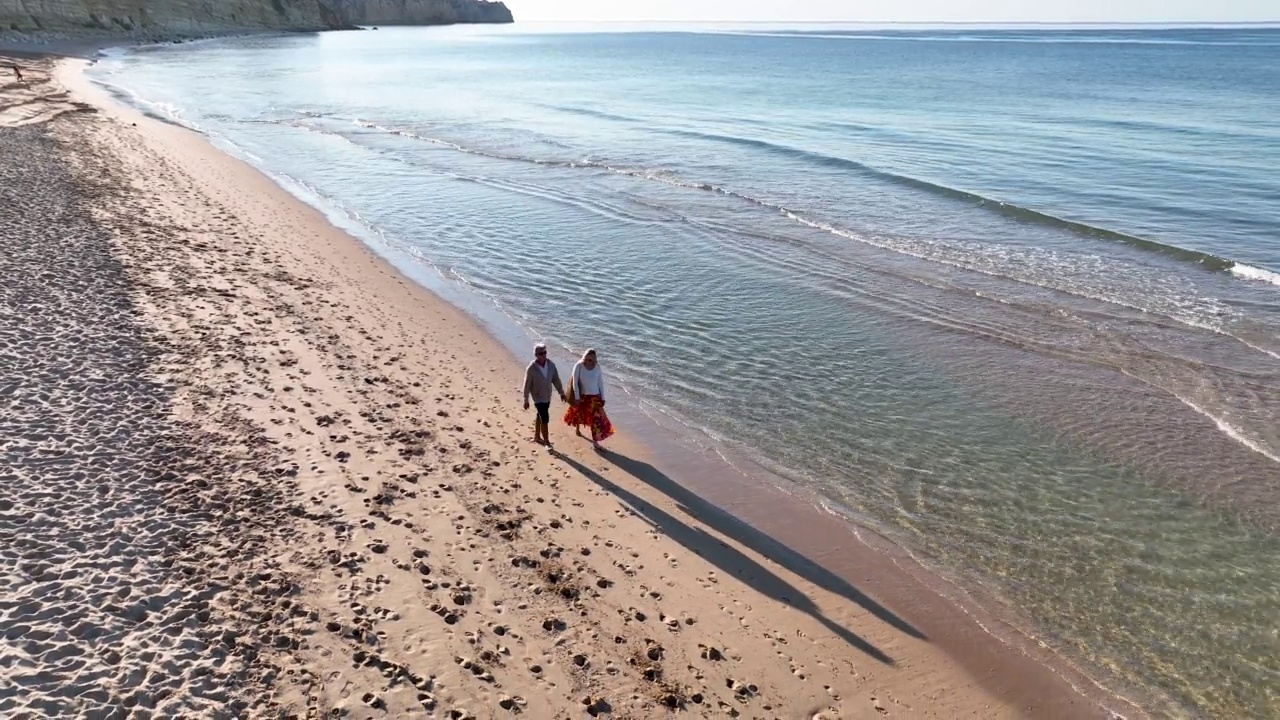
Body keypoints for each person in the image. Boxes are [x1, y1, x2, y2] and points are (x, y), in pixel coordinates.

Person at [564, 348, 614, 449]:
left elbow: (600, 383)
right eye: (585, 359)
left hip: (595, 397)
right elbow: (575, 383)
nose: (587, 362)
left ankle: (595, 442)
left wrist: (603, 397)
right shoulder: (579, 365)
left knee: (596, 420)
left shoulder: (597, 367)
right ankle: (577, 428)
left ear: (595, 360)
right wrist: (577, 397)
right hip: (582, 396)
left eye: (590, 360)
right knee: (578, 414)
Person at [522, 342, 565, 446]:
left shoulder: (551, 365)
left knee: (540, 415)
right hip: (537, 396)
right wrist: (526, 399)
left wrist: (561, 392)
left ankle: (537, 436)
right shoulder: (531, 368)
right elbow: (527, 385)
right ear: (536, 355)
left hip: (547, 395)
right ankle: (546, 441)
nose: (544, 355)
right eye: (541, 353)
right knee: (544, 417)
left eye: (545, 352)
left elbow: (556, 379)